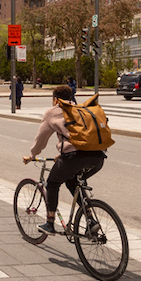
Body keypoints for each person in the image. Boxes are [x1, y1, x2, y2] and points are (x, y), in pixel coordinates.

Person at [22, 86, 106, 235]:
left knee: (52, 183)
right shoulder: (80, 109)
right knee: (73, 181)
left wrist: (32, 155)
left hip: (75, 158)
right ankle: (90, 220)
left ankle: (49, 223)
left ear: (55, 99)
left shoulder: (53, 111)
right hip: (98, 157)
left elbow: (41, 139)